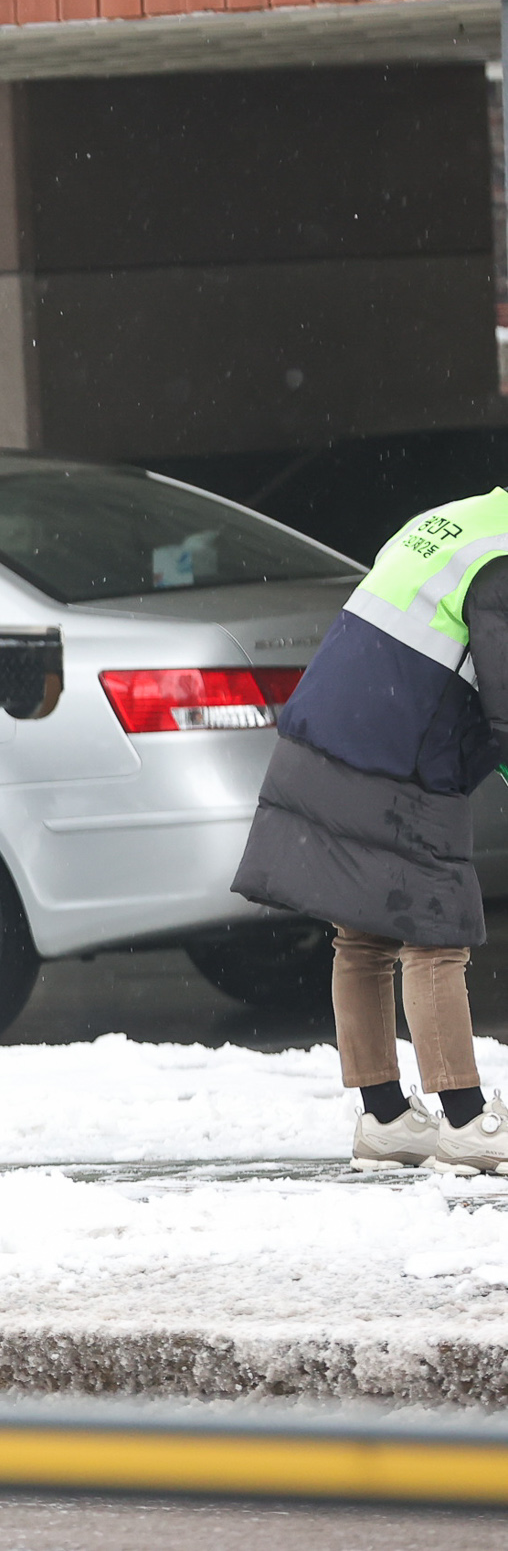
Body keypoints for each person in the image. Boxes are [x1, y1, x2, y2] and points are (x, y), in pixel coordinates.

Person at [233, 491, 508, 1172]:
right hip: (399, 758)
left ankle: (385, 1117)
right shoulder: (501, 562)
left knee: (364, 931)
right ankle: (468, 1123)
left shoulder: (453, 522)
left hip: (326, 739)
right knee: (435, 936)